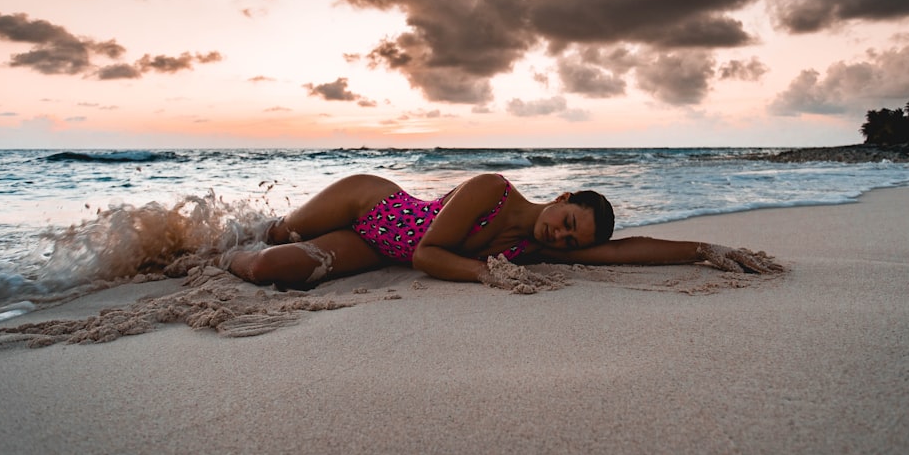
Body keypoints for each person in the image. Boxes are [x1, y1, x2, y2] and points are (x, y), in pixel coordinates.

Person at [226, 172, 782, 291]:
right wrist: (487, 273)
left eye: (571, 241)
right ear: (562, 199)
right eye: (567, 223)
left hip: (373, 248)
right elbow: (427, 253)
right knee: (280, 232)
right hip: (370, 202)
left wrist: (708, 249)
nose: (561, 238)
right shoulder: (493, 190)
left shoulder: (535, 245)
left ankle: (223, 259)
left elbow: (628, 250)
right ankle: (219, 239)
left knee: (277, 269)